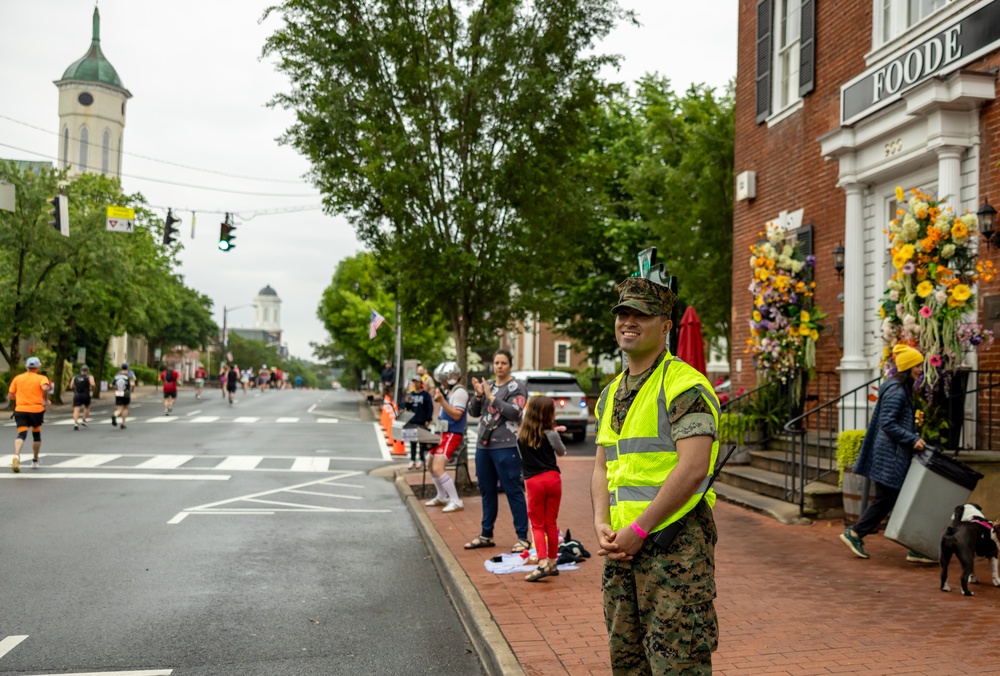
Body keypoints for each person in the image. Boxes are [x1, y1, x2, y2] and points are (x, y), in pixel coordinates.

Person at [592, 276, 722, 673]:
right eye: (623, 314)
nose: (628, 322)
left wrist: (640, 529)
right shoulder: (611, 392)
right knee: (628, 665)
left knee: (677, 666)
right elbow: (602, 465)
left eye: (641, 315)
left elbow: (695, 467)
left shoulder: (684, 385)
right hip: (621, 551)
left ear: (666, 325)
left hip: (674, 550)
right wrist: (601, 523)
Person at [840, 343, 931, 563]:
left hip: (892, 455)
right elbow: (887, 424)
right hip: (890, 456)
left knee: (897, 500)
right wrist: (912, 439)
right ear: (908, 367)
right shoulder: (897, 392)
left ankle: (914, 547)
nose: (921, 369)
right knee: (889, 499)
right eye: (918, 365)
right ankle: (855, 533)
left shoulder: (899, 390)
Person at [465, 349, 531, 553]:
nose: (499, 366)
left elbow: (514, 412)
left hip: (506, 446)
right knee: (487, 490)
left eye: (503, 363)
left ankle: (522, 537)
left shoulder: (517, 387)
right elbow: (473, 413)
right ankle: (486, 534)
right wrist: (478, 396)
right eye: (496, 363)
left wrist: (491, 397)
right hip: (484, 446)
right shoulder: (488, 385)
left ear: (510, 365)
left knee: (513, 490)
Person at [517, 395, 567, 582]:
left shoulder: (521, 435)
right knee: (551, 523)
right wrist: (556, 433)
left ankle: (542, 563)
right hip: (553, 479)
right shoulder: (552, 434)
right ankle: (553, 562)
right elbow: (561, 452)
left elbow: (521, 457)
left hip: (533, 481)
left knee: (537, 525)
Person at [425, 362, 469, 512]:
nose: (442, 383)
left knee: (438, 467)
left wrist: (442, 401)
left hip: (452, 434)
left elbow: (457, 414)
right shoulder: (451, 392)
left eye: (443, 379)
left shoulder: (460, 392)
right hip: (443, 433)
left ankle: (456, 500)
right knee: (430, 464)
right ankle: (442, 496)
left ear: (450, 378)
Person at [8, 356, 51, 471]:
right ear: (38, 367)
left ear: (26, 367)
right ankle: (35, 460)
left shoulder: (18, 378)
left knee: (21, 434)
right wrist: (45, 400)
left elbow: (11, 395)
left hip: (20, 409)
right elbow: (45, 388)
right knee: (36, 434)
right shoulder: (41, 378)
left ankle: (16, 455)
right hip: (36, 410)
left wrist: (21, 397)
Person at [403, 376, 434, 470]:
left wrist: (428, 419)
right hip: (412, 420)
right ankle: (412, 459)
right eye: (414, 382)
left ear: (421, 383)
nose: (415, 384)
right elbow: (406, 408)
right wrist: (406, 402)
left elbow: (430, 408)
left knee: (422, 442)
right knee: (412, 441)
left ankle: (421, 459)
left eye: (417, 382)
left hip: (422, 421)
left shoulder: (425, 395)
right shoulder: (411, 394)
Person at [111, 363, 136, 430]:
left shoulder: (116, 376)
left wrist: (115, 389)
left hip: (118, 393)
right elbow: (132, 384)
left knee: (119, 409)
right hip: (126, 393)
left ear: (121, 368)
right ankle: (123, 423)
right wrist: (132, 390)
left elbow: (111, 385)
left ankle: (115, 415)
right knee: (125, 408)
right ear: (127, 368)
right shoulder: (129, 376)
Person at [71, 364, 95, 430]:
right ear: (87, 371)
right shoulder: (89, 377)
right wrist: (92, 389)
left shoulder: (75, 377)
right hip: (86, 394)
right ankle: (84, 420)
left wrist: (75, 389)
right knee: (87, 407)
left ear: (80, 370)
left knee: (76, 409)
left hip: (77, 395)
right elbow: (93, 384)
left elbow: (71, 386)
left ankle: (76, 423)